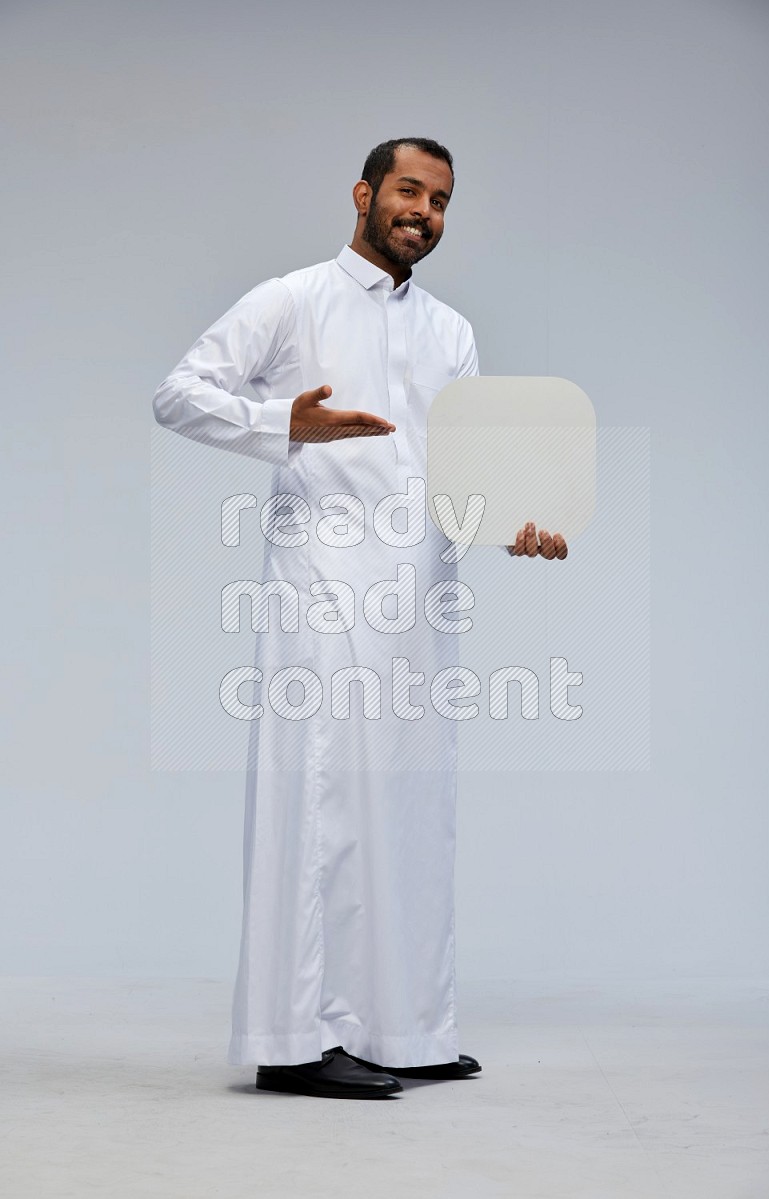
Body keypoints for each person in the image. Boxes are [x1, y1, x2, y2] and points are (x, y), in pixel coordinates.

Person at [152, 137, 568, 1100]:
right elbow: (177, 395)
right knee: (321, 803)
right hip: (322, 590)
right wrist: (280, 426)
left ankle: (405, 1027)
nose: (424, 210)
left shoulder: (452, 332)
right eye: (409, 190)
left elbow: (456, 478)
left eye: (442, 199)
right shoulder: (293, 299)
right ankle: (296, 1040)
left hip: (421, 600)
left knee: (412, 813)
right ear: (364, 193)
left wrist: (520, 529)